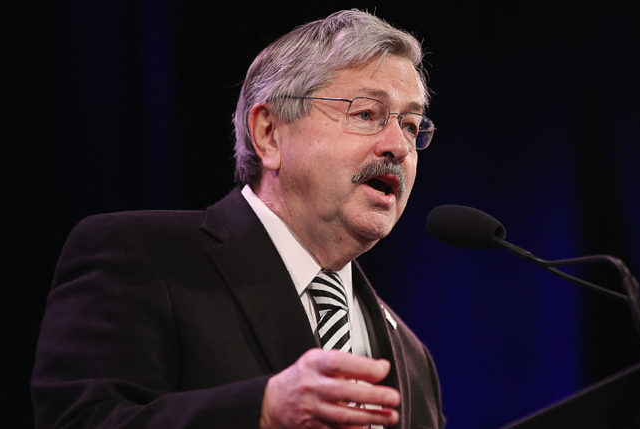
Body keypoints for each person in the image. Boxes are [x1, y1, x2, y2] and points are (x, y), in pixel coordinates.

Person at [31, 9, 445, 429]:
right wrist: (261, 412)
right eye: (366, 114)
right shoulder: (141, 256)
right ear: (269, 133)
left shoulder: (412, 357)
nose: (399, 146)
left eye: (411, 126)